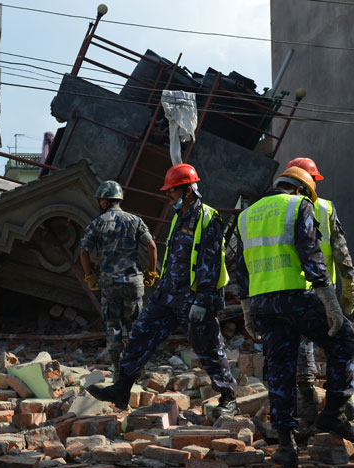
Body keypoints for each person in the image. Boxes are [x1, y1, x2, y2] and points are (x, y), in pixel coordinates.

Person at [86, 164, 238, 418]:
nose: (169, 197)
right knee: (140, 334)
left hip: (194, 297)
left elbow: (210, 261)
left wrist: (202, 299)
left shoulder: (208, 218)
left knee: (209, 346)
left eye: (172, 192)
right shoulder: (181, 215)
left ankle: (228, 396)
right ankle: (122, 389)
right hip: (168, 293)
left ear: (187, 191)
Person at [236, 166, 354, 468]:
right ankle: (333, 414)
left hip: (264, 302)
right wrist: (330, 302)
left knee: (280, 370)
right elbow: (311, 254)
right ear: (301, 189)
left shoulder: (246, 215)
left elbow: (241, 266)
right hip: (298, 298)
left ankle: (287, 446)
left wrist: (246, 308)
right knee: (346, 343)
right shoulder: (299, 205)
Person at [283, 158, 354, 423]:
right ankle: (338, 405)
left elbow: (339, 246)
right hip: (317, 289)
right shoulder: (320, 207)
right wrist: (349, 281)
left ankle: (311, 404)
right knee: (339, 341)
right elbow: (341, 248)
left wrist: (349, 280)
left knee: (306, 345)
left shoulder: (302, 207)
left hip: (303, 288)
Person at [80, 180, 158, 381]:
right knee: (135, 326)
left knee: (113, 327)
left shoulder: (97, 223)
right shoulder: (135, 220)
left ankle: (117, 371)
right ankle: (137, 369)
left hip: (110, 283)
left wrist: (89, 276)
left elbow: (84, 251)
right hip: (133, 281)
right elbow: (151, 246)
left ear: (105, 200)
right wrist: (151, 272)